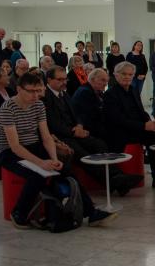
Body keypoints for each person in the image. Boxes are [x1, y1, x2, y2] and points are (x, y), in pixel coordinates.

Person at [0, 73, 116, 229]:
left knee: (67, 170)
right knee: (37, 175)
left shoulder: (38, 105)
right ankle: (19, 212)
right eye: (31, 91)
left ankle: (91, 212)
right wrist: (41, 163)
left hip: (34, 145)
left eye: (38, 91)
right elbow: (15, 146)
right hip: (9, 152)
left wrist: (54, 158)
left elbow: (46, 137)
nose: (35, 95)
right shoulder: (8, 109)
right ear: (19, 89)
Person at [43, 66, 142, 195]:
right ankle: (113, 181)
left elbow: (75, 114)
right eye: (60, 79)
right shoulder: (46, 96)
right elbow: (52, 123)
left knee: (98, 144)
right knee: (81, 152)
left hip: (75, 131)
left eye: (65, 79)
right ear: (49, 80)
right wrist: (74, 132)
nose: (64, 82)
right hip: (60, 136)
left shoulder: (64, 93)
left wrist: (79, 125)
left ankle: (117, 177)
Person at [104, 61, 155, 189]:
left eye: (130, 74)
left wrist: (150, 122)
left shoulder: (133, 90)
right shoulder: (110, 94)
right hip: (120, 132)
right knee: (154, 138)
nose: (127, 77)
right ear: (116, 75)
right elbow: (118, 120)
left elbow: (141, 112)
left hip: (136, 128)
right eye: (124, 74)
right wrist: (144, 126)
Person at [71, 68, 108, 137]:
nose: (105, 84)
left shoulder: (97, 91)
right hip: (86, 129)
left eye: (106, 81)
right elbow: (91, 116)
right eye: (103, 80)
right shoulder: (85, 92)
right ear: (92, 79)